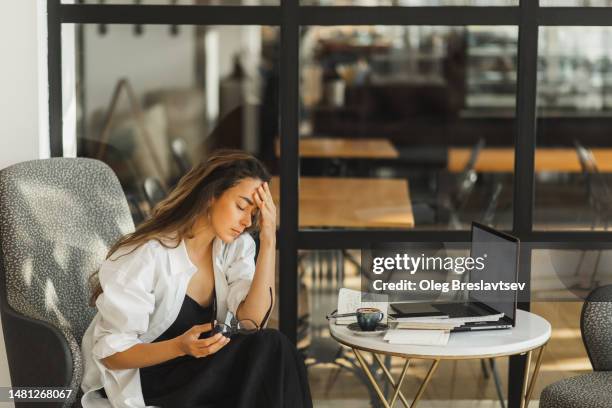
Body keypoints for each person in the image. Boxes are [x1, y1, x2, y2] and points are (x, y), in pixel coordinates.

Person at [80, 150, 312, 408]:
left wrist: (269, 238)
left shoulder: (233, 247)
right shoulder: (148, 255)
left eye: (254, 214)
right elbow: (111, 353)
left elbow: (252, 321)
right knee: (271, 349)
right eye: (241, 206)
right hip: (151, 381)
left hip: (201, 372)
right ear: (211, 196)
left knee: (271, 347)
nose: (246, 221)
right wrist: (179, 347)